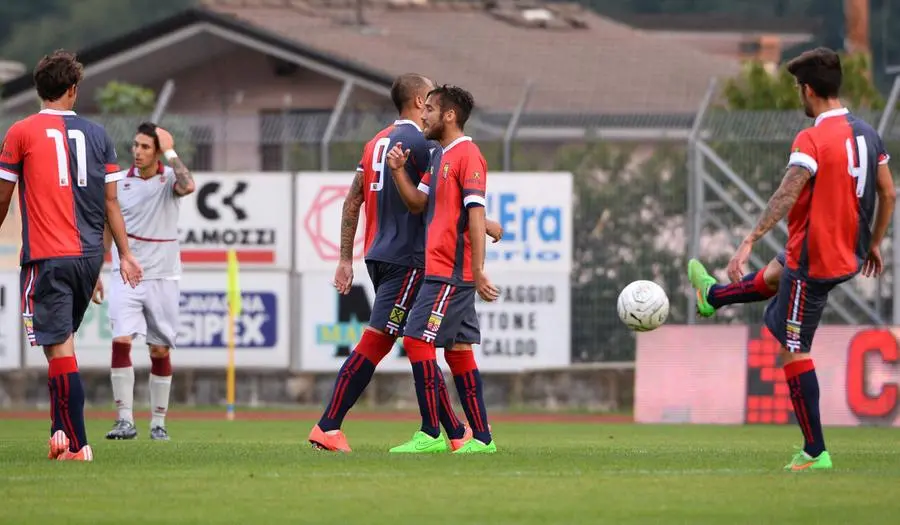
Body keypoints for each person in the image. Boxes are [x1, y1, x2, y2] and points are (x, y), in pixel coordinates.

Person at [699, 47, 895, 471]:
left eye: (797, 90)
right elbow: (888, 191)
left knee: (793, 349)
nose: (798, 97)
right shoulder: (867, 132)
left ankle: (814, 451)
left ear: (808, 90)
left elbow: (788, 191)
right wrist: (874, 242)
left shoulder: (812, 138)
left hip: (816, 264)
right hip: (846, 253)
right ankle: (712, 297)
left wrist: (750, 238)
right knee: (777, 271)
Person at [308, 74, 503, 453]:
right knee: (394, 340)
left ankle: (459, 433)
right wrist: (484, 227)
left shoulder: (375, 142)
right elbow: (438, 200)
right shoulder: (422, 144)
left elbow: (353, 201)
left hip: (379, 255)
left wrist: (345, 258)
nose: (428, 109)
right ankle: (331, 425)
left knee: (440, 345)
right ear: (417, 100)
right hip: (412, 260)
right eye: (426, 102)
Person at [0, 49, 143, 462]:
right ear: (73, 89)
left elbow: (3, 198)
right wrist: (124, 256)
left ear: (39, 89)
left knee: (58, 350)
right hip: (86, 259)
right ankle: (60, 435)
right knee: (64, 348)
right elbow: (111, 204)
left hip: (47, 257)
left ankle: (77, 444)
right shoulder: (98, 135)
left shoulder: (21, 132)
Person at [387, 84, 500, 454]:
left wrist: (479, 269)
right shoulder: (438, 156)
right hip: (441, 269)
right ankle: (482, 439)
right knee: (458, 350)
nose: (424, 115)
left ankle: (431, 432)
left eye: (431, 109)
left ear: (449, 116)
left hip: (451, 272)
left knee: (417, 340)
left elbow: (474, 210)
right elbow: (420, 202)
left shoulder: (468, 155)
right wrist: (399, 172)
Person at [90, 122, 196, 441]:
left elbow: (189, 185)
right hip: (127, 272)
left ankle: (158, 423)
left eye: (145, 147)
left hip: (163, 275)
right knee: (121, 339)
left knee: (159, 351)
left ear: (158, 151)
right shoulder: (119, 183)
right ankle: (124, 420)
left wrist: (172, 151)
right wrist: (97, 269)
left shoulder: (169, 180)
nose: (137, 152)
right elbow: (108, 227)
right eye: (135, 146)